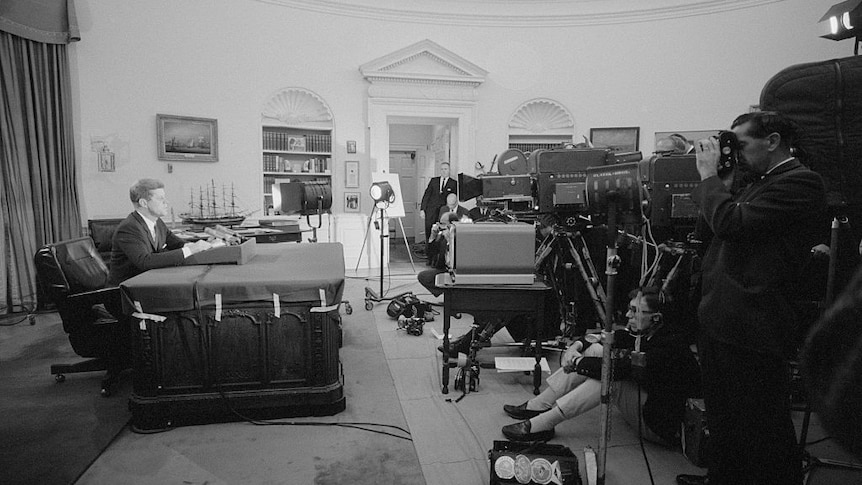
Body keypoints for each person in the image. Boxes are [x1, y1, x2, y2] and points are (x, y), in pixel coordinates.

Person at [676, 111, 826, 485]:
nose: (737, 153)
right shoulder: (755, 182)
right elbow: (711, 232)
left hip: (753, 325)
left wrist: (710, 178)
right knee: (725, 421)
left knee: (762, 430)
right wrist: (722, 183)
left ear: (772, 141)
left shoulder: (800, 183)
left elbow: (731, 224)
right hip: (722, 318)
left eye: (742, 144)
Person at [500, 287, 701, 444]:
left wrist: (577, 362)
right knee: (597, 350)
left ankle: (543, 423)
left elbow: (618, 369)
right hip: (649, 399)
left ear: (656, 318)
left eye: (635, 311)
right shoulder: (655, 330)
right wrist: (579, 345)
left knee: (610, 379)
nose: (628, 316)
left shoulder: (669, 347)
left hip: (658, 425)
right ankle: (540, 405)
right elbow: (617, 336)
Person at [108, 178, 213, 287]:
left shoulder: (157, 222)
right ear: (144, 203)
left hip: (149, 284)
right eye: (160, 199)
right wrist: (191, 249)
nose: (166, 202)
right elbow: (145, 261)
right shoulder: (129, 228)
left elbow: (177, 243)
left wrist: (200, 245)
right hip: (126, 292)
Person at [420, 162, 457, 263]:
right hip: (431, 211)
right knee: (429, 234)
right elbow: (426, 195)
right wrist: (422, 209)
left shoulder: (453, 183)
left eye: (445, 169)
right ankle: (429, 257)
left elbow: (453, 199)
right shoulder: (434, 181)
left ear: (449, 170)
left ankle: (439, 259)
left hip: (443, 213)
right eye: (442, 169)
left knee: (440, 234)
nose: (443, 171)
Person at [417, 211, 459, 299]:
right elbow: (430, 253)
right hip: (444, 270)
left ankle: (454, 296)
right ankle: (447, 294)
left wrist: (450, 241)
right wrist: (432, 236)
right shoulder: (442, 237)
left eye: (442, 224)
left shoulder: (460, 238)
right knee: (423, 276)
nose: (439, 226)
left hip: (457, 272)